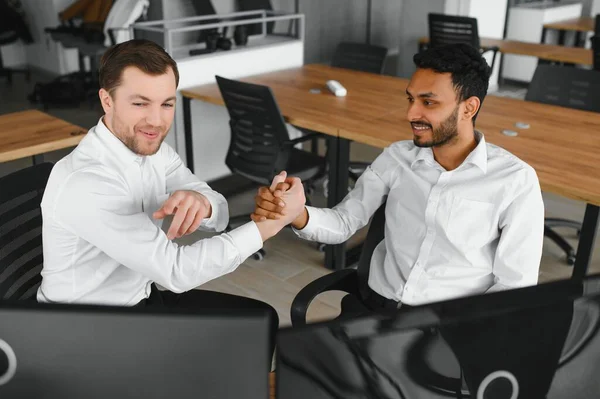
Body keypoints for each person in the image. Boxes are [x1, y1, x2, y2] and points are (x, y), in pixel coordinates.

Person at [37, 40, 304, 351]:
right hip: (84, 333)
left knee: (261, 320)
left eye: (166, 104)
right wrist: (268, 226)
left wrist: (202, 204)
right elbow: (176, 271)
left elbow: (219, 211)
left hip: (141, 298)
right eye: (140, 104)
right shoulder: (86, 182)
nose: (156, 121)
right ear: (107, 101)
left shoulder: (155, 152)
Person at [252, 43, 545, 316]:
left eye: (428, 103)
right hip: (376, 309)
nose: (411, 113)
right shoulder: (396, 158)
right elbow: (343, 223)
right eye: (410, 99)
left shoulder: (515, 181)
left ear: (469, 108)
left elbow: (513, 288)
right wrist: (298, 214)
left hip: (449, 327)